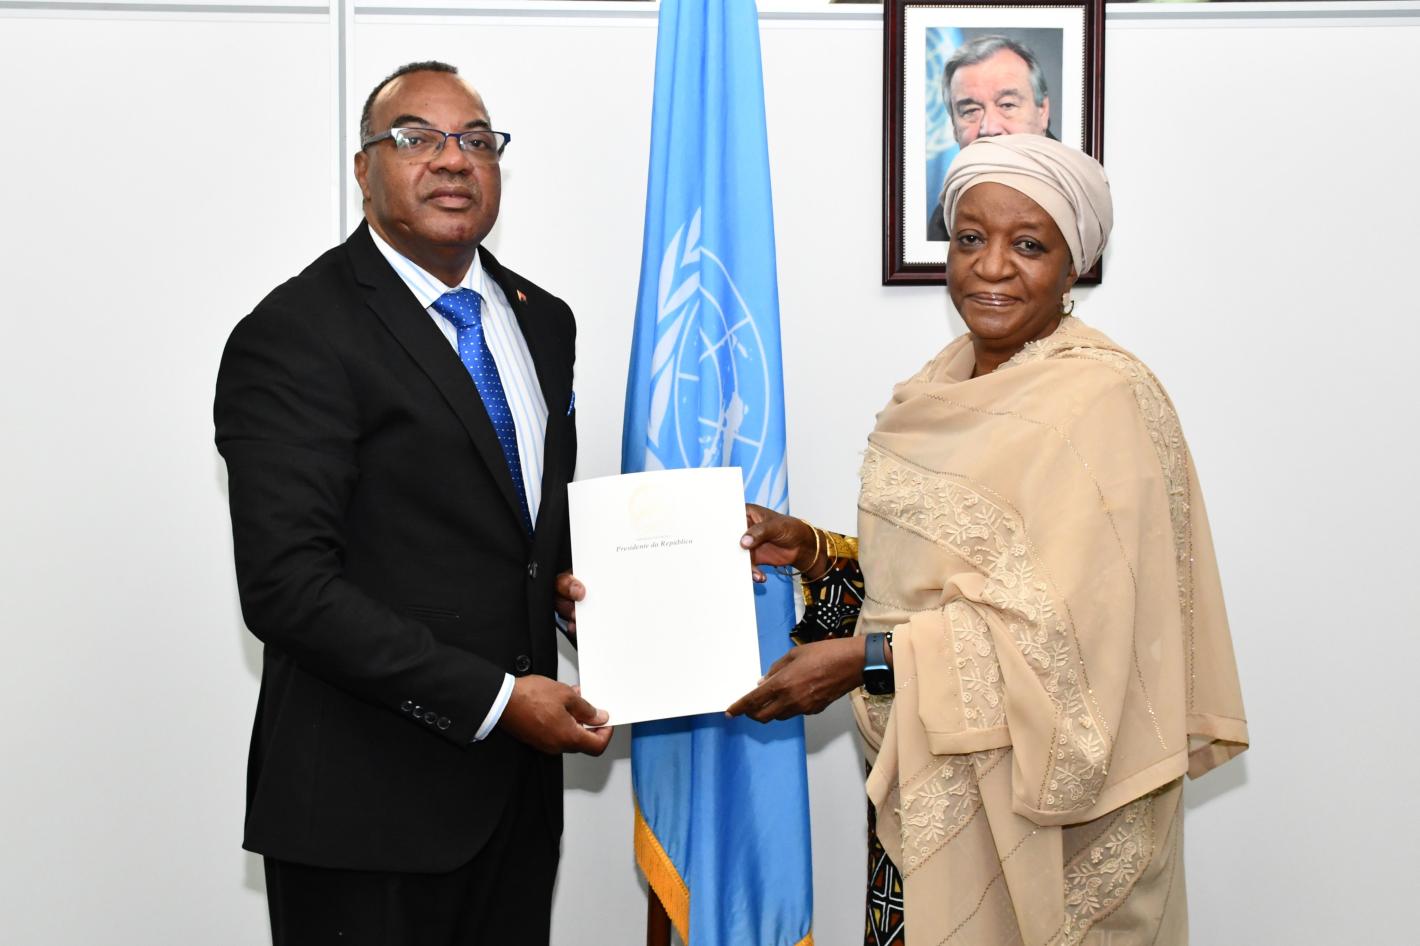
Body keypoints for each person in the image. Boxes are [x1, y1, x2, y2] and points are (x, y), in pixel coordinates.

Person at [731, 135, 1248, 945]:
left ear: (1074, 265)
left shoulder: (1103, 401)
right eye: (971, 238)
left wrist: (867, 661)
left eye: (1029, 244)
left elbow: (1080, 642)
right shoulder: (935, 389)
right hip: (927, 796)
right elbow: (933, 587)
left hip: (1059, 835)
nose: (993, 267)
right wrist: (813, 553)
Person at [214, 60, 611, 946]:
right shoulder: (296, 334)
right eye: (416, 139)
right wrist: (501, 701)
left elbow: (521, 535)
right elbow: (287, 588)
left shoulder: (542, 320)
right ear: (363, 169)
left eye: (476, 140)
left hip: (514, 806)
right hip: (365, 814)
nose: (452, 159)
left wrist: (598, 593)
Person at [927, 35, 1053, 241]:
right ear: (953, 126)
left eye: (1007, 105)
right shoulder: (943, 220)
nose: (989, 128)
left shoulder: (1077, 202)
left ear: (1042, 111)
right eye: (970, 111)